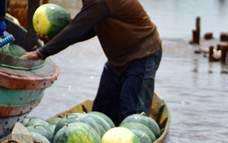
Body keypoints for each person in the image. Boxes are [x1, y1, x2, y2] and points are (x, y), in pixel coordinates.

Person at [23, 0, 161, 124]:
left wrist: (41, 53)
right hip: (117, 60)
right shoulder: (95, 5)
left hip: (143, 54)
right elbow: (89, 27)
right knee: (101, 110)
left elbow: (77, 28)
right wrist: (53, 41)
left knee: (132, 115)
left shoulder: (99, 2)